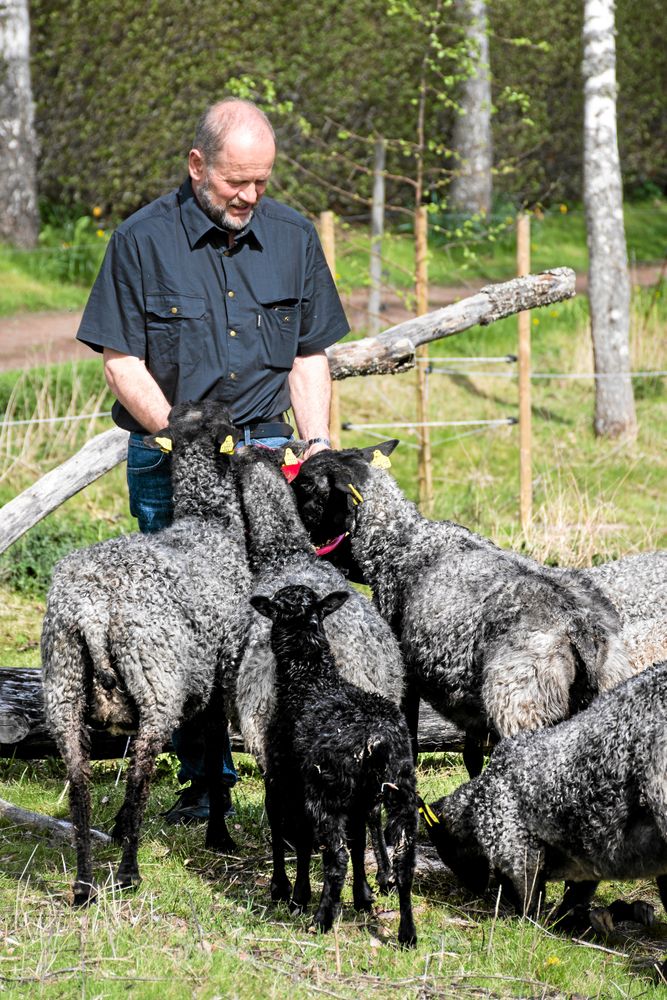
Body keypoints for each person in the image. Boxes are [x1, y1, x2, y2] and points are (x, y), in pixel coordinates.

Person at [75, 98, 349, 823]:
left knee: (279, 613)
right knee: (184, 620)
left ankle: (289, 775)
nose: (251, 197)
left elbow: (308, 354)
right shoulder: (140, 241)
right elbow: (120, 359)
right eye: (236, 181)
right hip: (171, 451)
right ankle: (203, 782)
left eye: (262, 181)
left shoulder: (292, 237)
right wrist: (183, 437)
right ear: (197, 166)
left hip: (267, 452)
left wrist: (316, 445)